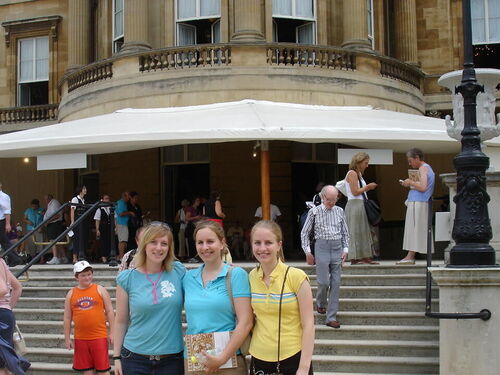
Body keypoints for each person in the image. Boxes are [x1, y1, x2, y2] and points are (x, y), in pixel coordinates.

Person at [114, 223, 185, 375]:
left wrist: (224, 267)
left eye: (164, 243)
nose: (159, 248)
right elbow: (120, 320)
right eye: (153, 242)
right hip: (134, 358)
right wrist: (116, 357)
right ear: (144, 244)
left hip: (172, 360)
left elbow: (203, 281)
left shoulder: (178, 272)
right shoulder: (127, 278)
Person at [183, 220, 252, 374]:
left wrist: (221, 359)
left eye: (210, 241)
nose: (205, 247)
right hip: (195, 361)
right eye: (200, 242)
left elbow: (246, 322)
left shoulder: (236, 275)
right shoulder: (188, 278)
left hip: (229, 361)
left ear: (222, 243)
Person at [249, 220, 314, 375]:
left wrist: (304, 367)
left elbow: (309, 324)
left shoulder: (297, 277)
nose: (262, 248)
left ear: (279, 245)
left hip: (293, 358)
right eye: (257, 243)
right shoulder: (251, 277)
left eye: (268, 243)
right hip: (259, 357)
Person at [300, 185, 349, 329]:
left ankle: (331, 317)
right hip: (321, 246)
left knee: (336, 282)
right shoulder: (314, 212)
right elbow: (304, 233)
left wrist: (346, 249)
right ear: (322, 197)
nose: (332, 202)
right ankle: (321, 303)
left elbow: (345, 232)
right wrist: (308, 252)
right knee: (323, 282)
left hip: (337, 246)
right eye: (329, 199)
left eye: (335, 199)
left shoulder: (340, 211)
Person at [63, 260, 114, 375]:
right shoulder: (71, 294)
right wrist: (67, 338)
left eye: (89, 274)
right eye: (83, 275)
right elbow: (67, 317)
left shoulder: (100, 289)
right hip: (81, 338)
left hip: (99, 336)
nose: (87, 278)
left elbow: (110, 311)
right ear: (76, 277)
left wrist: (112, 332)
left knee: (103, 370)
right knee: (87, 371)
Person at [398, 148, 435, 264]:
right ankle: (411, 254)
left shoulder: (423, 168)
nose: (410, 164)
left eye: (410, 161)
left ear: (417, 158)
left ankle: (410, 255)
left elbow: (423, 187)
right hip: (418, 201)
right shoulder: (425, 168)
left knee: (414, 228)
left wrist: (410, 182)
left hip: (418, 201)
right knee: (415, 228)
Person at [344, 152, 379, 265]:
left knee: (363, 230)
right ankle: (356, 257)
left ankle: (363, 256)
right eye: (365, 163)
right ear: (358, 162)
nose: (367, 165)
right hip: (355, 205)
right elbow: (355, 192)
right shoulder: (352, 173)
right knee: (356, 230)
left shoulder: (357, 174)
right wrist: (368, 187)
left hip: (359, 204)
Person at [0, 255, 28, 375]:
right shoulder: (1, 262)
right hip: (5, 314)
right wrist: (8, 307)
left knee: (3, 362)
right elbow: (17, 287)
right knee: (6, 361)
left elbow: (3, 289)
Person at [0, 183, 22, 267]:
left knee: (4, 242)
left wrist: (8, 224)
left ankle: (15, 258)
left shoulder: (3, 196)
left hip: (1, 220)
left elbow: (7, 211)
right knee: (4, 241)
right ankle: (15, 258)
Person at [44, 194, 68, 265]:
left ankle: (55, 257)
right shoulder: (51, 204)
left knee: (53, 240)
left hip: (54, 224)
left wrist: (47, 221)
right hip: (54, 224)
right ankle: (63, 257)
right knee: (58, 242)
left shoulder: (54, 202)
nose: (45, 201)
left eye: (46, 199)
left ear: (49, 198)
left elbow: (57, 215)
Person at [71, 186, 88, 263]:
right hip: (77, 221)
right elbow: (72, 210)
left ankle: (81, 255)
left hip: (83, 222)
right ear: (80, 190)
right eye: (84, 189)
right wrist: (72, 222)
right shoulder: (75, 199)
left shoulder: (83, 200)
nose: (85, 190)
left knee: (82, 238)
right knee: (76, 239)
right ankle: (74, 258)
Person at [115, 192, 134, 260]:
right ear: (124, 196)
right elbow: (120, 213)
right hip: (121, 223)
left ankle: (121, 256)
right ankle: (121, 256)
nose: (129, 198)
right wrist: (130, 213)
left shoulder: (123, 203)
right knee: (122, 241)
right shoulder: (121, 203)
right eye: (128, 196)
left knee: (124, 241)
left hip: (124, 223)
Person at [94, 194, 112, 264]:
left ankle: (109, 256)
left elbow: (114, 218)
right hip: (103, 228)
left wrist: (115, 226)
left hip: (109, 228)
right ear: (102, 200)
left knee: (109, 242)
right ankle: (103, 257)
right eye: (106, 198)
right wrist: (97, 229)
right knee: (103, 242)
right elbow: (97, 220)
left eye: (108, 198)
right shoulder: (99, 209)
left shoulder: (111, 208)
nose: (107, 200)